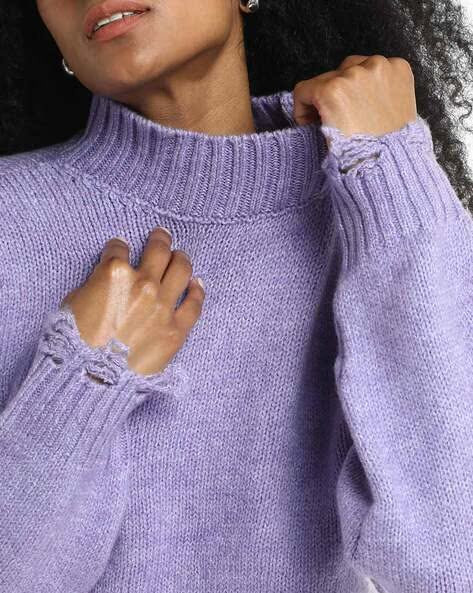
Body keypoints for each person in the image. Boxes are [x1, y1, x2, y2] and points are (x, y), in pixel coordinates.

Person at [0, 1, 472, 592]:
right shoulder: (11, 223)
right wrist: (84, 379)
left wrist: (392, 172)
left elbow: (452, 560)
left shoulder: (369, 210)